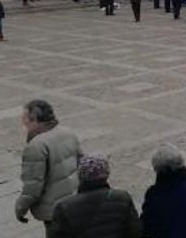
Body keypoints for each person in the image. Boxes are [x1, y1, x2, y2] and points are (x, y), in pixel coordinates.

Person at [15, 100, 82, 233]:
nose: (23, 122)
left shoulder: (36, 146)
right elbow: (81, 163)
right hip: (74, 202)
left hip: (53, 210)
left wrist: (20, 208)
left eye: (24, 118)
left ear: (35, 120)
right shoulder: (68, 132)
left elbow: (33, 186)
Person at [48, 154, 140, 238]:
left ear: (80, 176)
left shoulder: (64, 207)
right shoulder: (122, 198)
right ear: (106, 174)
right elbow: (135, 231)